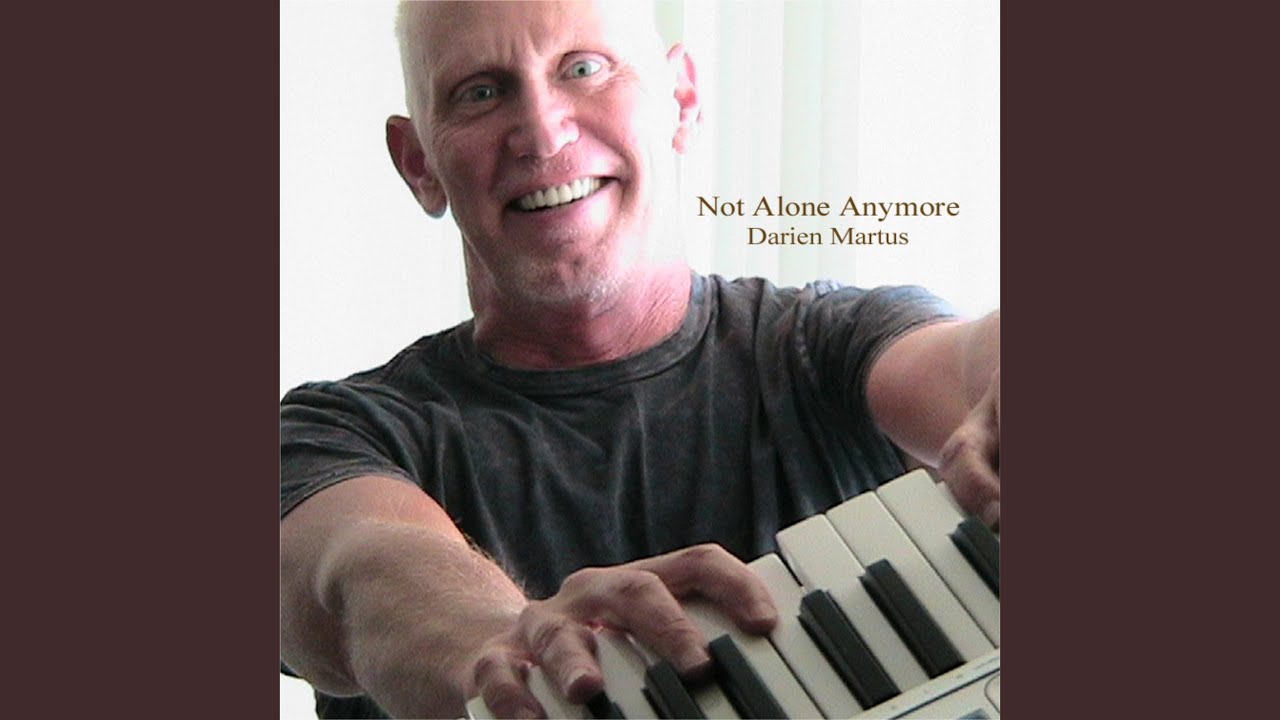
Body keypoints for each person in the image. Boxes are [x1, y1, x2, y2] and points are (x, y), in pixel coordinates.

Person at [279, 1, 1001, 718]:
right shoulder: (329, 435)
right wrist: (507, 647)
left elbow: (971, 362)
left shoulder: (832, 344)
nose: (541, 132)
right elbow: (358, 567)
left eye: (584, 69)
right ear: (420, 164)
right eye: (481, 92)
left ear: (680, 99)